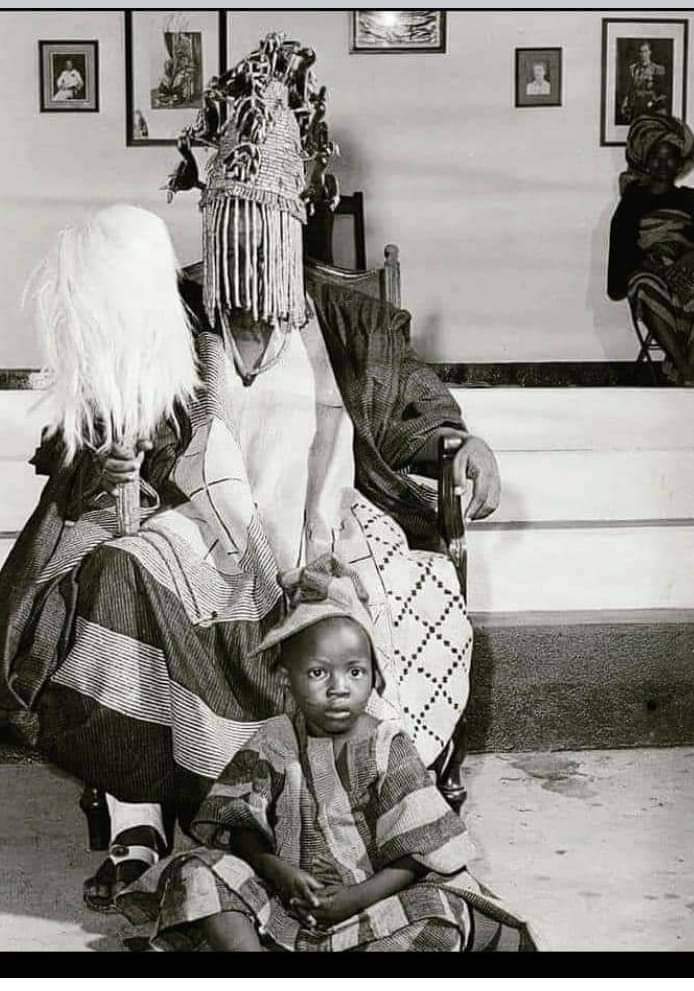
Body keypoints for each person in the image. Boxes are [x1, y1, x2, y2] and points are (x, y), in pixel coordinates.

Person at [0, 32, 501, 912]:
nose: (249, 251)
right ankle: (137, 818)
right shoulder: (172, 308)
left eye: (268, 230)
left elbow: (422, 408)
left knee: (346, 618)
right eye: (234, 230)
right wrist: (104, 450)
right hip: (201, 532)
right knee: (117, 572)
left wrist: (465, 445)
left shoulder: (347, 317)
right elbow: (89, 417)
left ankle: (310, 821)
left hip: (325, 524)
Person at [115, 561, 537, 952]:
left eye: (355, 671)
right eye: (318, 673)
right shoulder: (274, 741)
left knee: (442, 913)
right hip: (284, 900)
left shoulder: (388, 747)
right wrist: (278, 871)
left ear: (375, 676)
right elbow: (239, 824)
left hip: (370, 902)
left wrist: (351, 901)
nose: (339, 688)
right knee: (199, 872)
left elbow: (419, 852)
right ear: (286, 680)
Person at [607, 113, 694, 383]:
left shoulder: (689, 198)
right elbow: (623, 247)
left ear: (680, 162)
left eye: (670, 156)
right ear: (646, 160)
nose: (663, 163)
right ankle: (686, 369)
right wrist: (655, 264)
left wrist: (690, 256)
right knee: (645, 286)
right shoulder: (633, 201)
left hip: (687, 269)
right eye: (657, 156)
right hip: (648, 270)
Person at [621, 42, 667, 123]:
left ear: (650, 52)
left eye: (645, 51)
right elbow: (630, 89)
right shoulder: (633, 69)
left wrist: (652, 102)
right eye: (641, 52)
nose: (643, 54)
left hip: (653, 107)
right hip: (637, 107)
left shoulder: (658, 69)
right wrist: (625, 103)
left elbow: (662, 93)